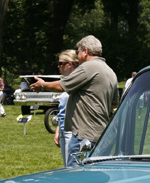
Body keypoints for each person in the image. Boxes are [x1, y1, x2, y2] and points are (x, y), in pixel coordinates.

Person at [31, 35, 118, 165]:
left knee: (75, 176)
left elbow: (62, 86)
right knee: (97, 178)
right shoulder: (110, 71)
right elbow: (114, 104)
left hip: (84, 136)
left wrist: (43, 85)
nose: (77, 55)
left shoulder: (89, 67)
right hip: (103, 135)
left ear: (85, 51)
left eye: (78, 51)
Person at [50, 50, 79, 164]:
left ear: (70, 64)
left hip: (72, 131)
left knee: (71, 167)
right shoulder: (64, 81)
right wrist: (58, 131)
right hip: (63, 129)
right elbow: (62, 111)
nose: (58, 66)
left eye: (61, 63)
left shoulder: (77, 81)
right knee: (66, 164)